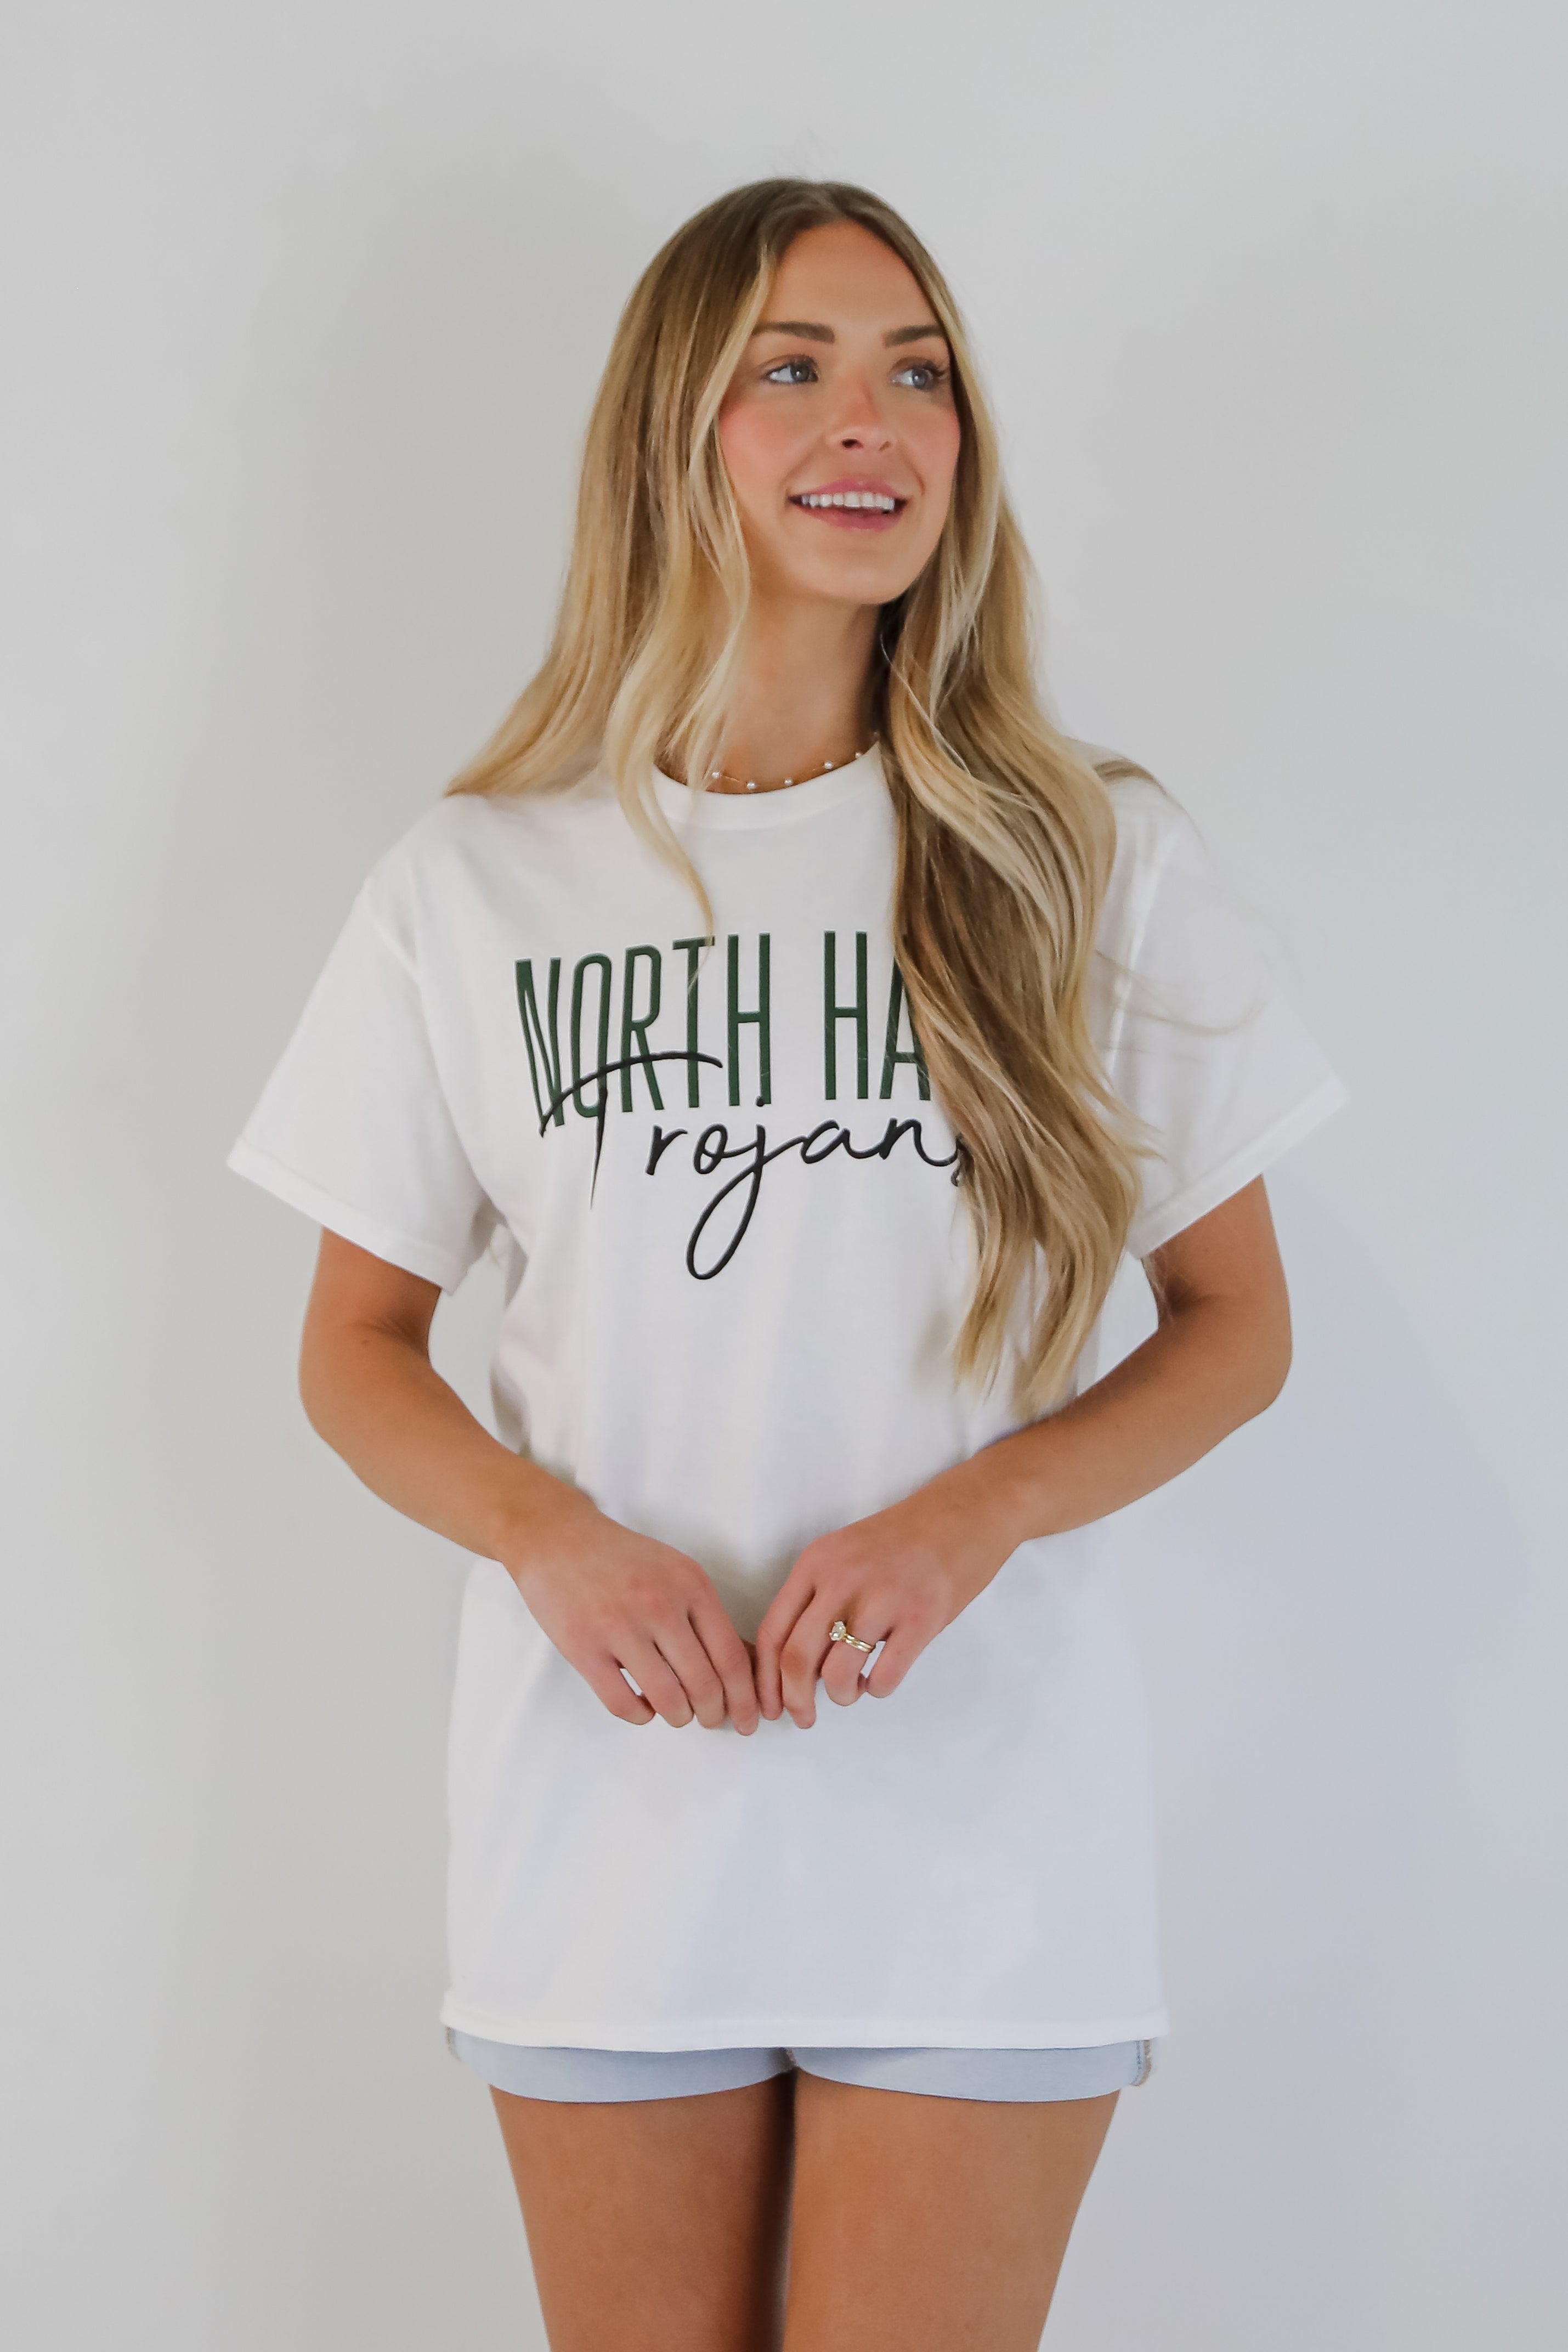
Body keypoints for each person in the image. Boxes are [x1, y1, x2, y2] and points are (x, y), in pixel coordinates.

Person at [228, 178, 1348, 2351]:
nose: (875, 420)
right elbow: (353, 1347)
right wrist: (549, 1539)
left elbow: (1238, 1328)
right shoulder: (476, 882)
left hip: (978, 1815)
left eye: (918, 372)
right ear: (676, 428)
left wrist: (971, 1516)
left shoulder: (1084, 855)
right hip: (602, 1810)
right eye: (795, 368)